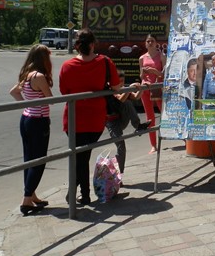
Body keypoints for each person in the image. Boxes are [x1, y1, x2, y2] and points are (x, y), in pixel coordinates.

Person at [59, 29, 122, 205]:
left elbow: (64, 92)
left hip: (73, 119)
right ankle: (81, 194)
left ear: (77, 46)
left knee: (80, 156)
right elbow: (116, 87)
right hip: (95, 119)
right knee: (83, 156)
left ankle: (79, 193)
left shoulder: (67, 66)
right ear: (93, 44)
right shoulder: (105, 62)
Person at [9, 44, 53, 216]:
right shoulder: (39, 76)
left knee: (29, 158)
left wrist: (27, 105)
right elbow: (49, 99)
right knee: (39, 160)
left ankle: (31, 193)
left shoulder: (26, 74)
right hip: (39, 121)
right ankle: (26, 200)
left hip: (26, 118)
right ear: (43, 59)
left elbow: (14, 92)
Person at [105, 71, 144, 182]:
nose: (121, 84)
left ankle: (138, 125)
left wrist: (140, 87)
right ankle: (117, 175)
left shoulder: (124, 89)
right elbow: (120, 99)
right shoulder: (110, 91)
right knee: (121, 148)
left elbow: (136, 97)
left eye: (123, 81)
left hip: (122, 119)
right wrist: (130, 88)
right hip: (113, 122)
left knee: (128, 103)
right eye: (119, 81)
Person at [139, 34, 165, 154]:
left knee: (164, 114)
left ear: (156, 43)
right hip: (145, 88)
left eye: (152, 41)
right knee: (150, 117)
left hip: (158, 88)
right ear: (145, 43)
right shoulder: (142, 58)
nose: (150, 43)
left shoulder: (161, 56)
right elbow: (141, 76)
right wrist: (143, 74)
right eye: (148, 41)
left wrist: (155, 72)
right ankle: (153, 145)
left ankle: (180, 137)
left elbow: (165, 75)